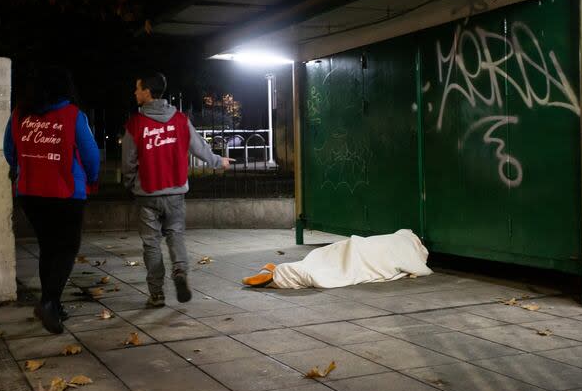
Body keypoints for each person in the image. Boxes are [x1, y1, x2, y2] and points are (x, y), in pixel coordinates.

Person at [3, 67, 99, 334]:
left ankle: (53, 305)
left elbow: (8, 150)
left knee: (48, 247)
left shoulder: (19, 115)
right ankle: (48, 302)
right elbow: (90, 155)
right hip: (66, 192)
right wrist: (91, 178)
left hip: (30, 192)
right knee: (67, 247)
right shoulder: (72, 114)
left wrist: (24, 168)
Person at [122, 72, 230, 308]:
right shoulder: (180, 120)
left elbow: (128, 163)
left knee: (151, 244)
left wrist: (131, 184)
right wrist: (217, 161)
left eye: (137, 88)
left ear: (148, 92)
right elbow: (199, 148)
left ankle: (157, 294)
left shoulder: (135, 124)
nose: (135, 93)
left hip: (147, 194)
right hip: (175, 193)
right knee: (176, 235)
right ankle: (180, 272)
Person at [242, 229, 433, 288]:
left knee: (333, 257)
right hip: (361, 249)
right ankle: (281, 273)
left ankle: (278, 271)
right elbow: (419, 268)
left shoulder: (398, 238)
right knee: (337, 265)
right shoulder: (405, 243)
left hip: (360, 246)